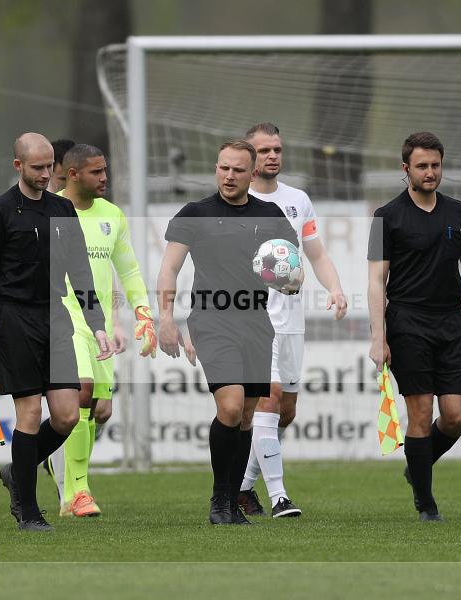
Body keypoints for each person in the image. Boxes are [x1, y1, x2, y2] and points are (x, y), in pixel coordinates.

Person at [0, 132, 112, 532]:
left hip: (56, 315)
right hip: (13, 319)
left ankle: (18, 471)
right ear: (18, 166)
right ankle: (28, 512)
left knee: (66, 416)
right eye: (38, 167)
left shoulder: (63, 210)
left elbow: (80, 272)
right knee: (29, 414)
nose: (46, 174)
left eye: (51, 167)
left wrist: (97, 326)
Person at [158, 139, 298, 525]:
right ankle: (220, 503)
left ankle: (232, 501)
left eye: (238, 169)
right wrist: (166, 318)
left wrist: (289, 278)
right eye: (223, 168)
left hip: (256, 322)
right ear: (216, 169)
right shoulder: (195, 212)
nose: (229, 175)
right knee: (232, 406)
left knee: (248, 416)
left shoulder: (269, 215)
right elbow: (169, 268)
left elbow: (291, 270)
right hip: (212, 321)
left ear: (252, 173)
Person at [367, 132, 461, 522]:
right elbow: (376, 280)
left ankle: (416, 467)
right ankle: (427, 503)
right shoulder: (384, 217)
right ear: (406, 170)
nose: (430, 172)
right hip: (407, 323)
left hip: (451, 323)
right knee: (419, 416)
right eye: (422, 166)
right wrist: (379, 337)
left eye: (435, 165)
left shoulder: (459, 212)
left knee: (455, 416)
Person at [238, 123, 348, 519]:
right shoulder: (236, 200)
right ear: (248, 156)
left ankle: (242, 487)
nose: (272, 156)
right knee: (268, 401)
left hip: (291, 321)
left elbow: (315, 254)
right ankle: (280, 496)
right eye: (264, 149)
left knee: (285, 412)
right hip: (253, 321)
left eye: (277, 149)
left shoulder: (297, 200)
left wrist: (334, 287)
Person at [43, 144, 156, 517]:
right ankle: (80, 492)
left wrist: (142, 313)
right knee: (82, 391)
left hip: (100, 324)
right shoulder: (50, 210)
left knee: (97, 409)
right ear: (72, 174)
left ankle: (69, 485)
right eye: (95, 172)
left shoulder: (112, 216)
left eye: (105, 170)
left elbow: (128, 270)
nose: (104, 177)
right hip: (62, 318)